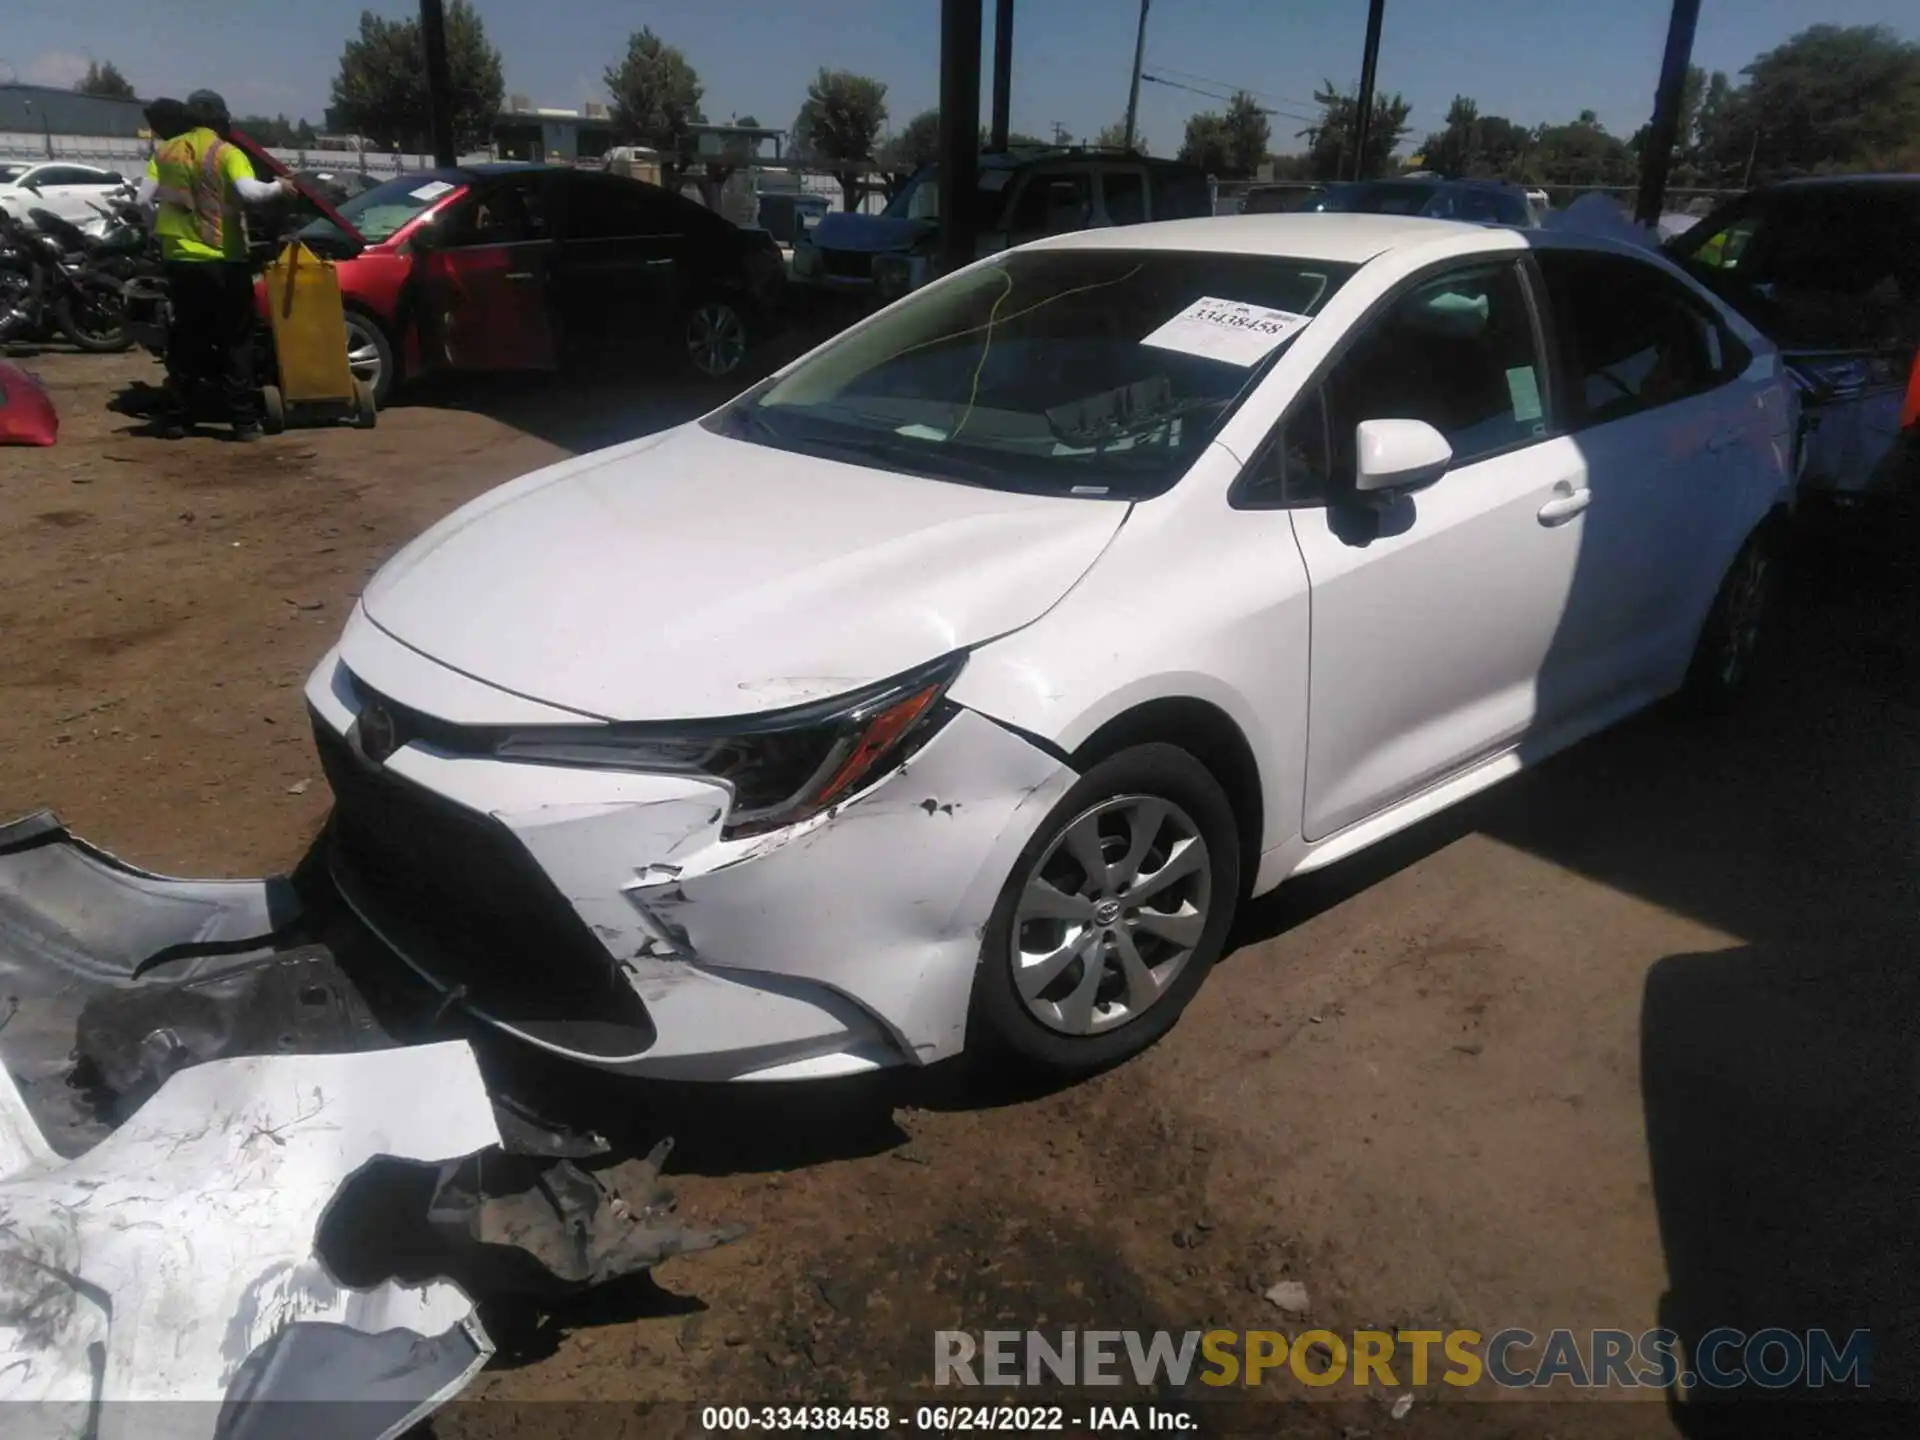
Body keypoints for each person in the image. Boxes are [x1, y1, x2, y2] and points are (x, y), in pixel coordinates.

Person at [137, 88, 293, 440]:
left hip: (180, 262)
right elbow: (252, 194)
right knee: (236, 341)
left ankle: (177, 418)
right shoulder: (227, 152)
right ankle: (243, 422)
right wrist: (280, 187)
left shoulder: (165, 152)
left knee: (185, 339)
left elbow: (142, 200)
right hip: (226, 263)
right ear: (221, 121)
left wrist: (159, 234)